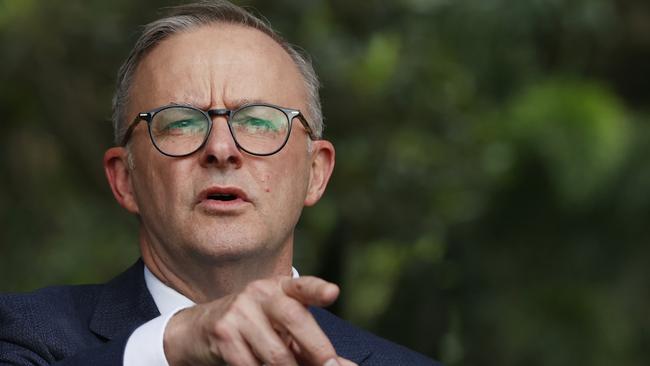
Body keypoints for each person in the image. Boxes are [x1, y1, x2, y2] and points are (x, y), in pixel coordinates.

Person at [0, 1, 439, 365]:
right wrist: (176, 343)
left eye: (260, 121)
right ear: (124, 180)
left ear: (316, 172)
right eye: (180, 123)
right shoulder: (23, 335)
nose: (222, 148)